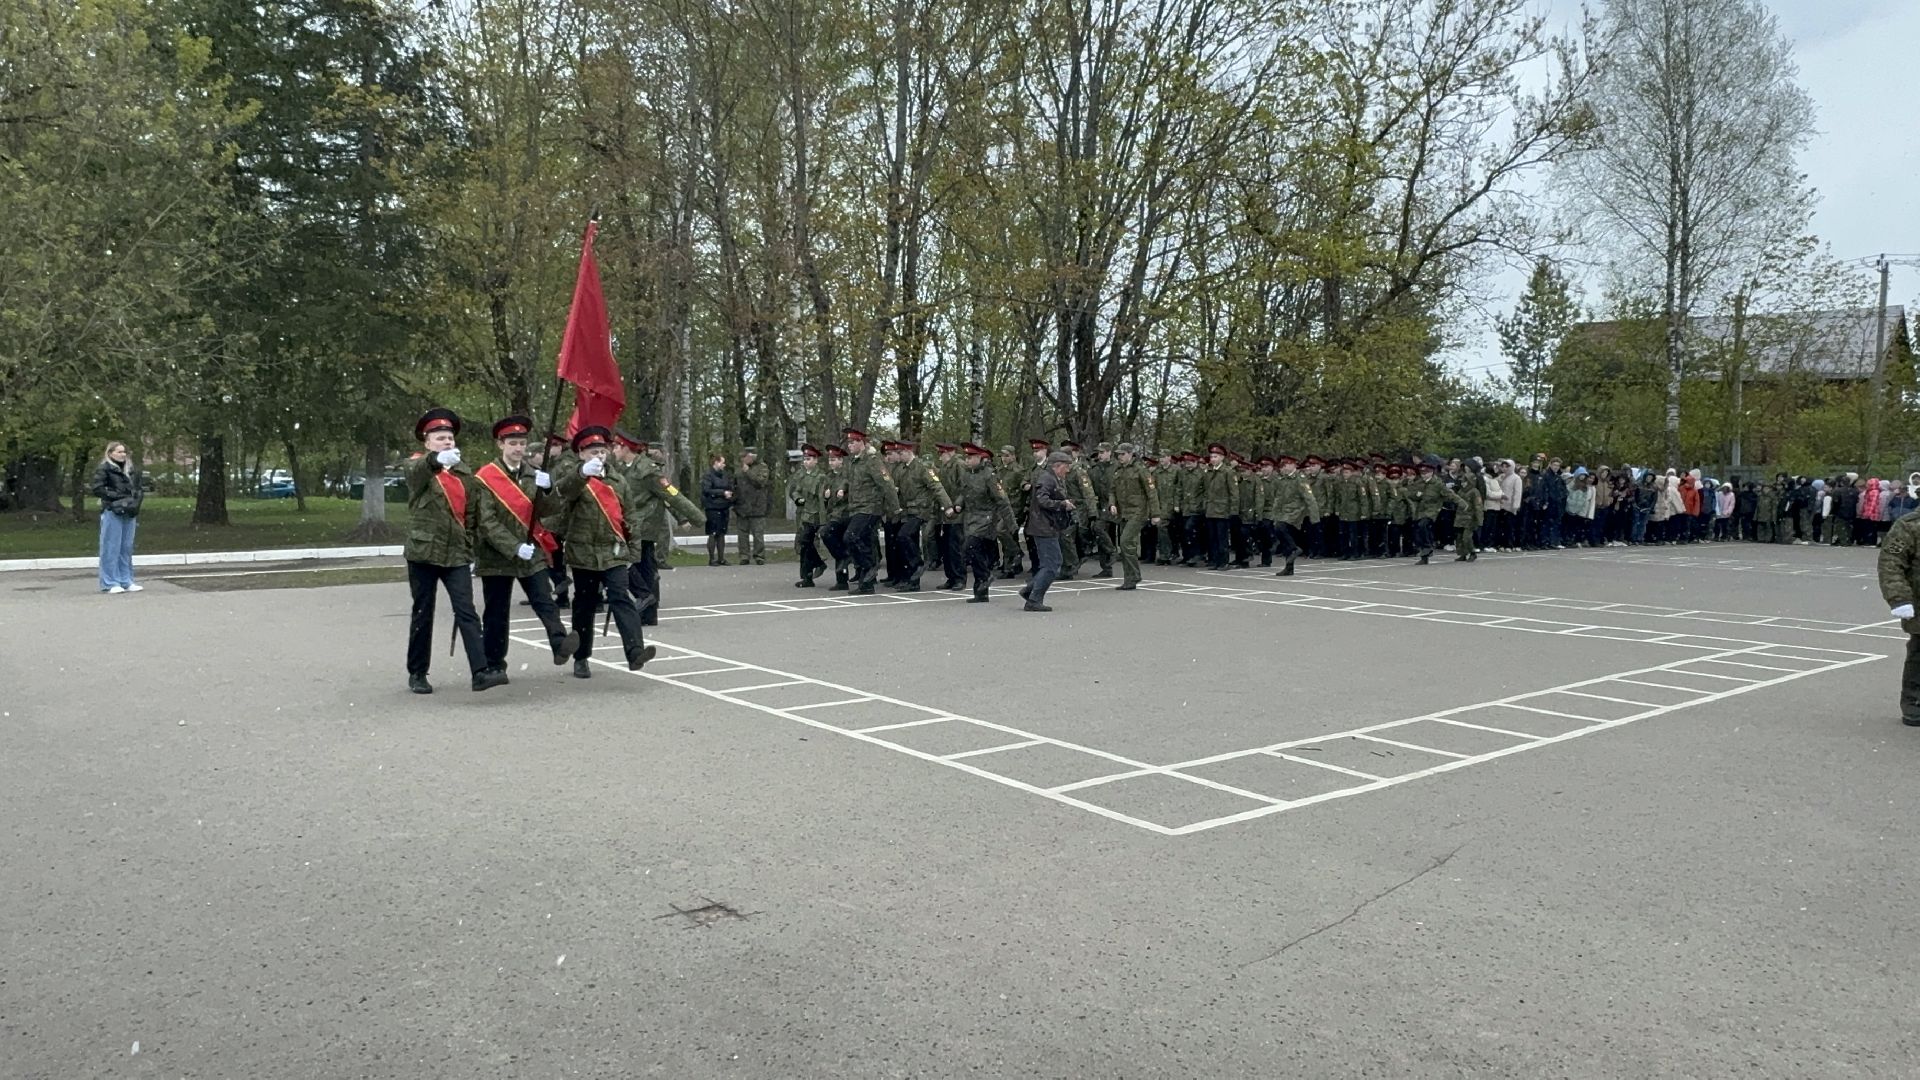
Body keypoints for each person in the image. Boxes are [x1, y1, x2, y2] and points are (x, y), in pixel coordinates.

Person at [403, 409, 501, 695]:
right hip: (424, 552)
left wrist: (470, 549)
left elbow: (470, 516)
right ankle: (418, 672)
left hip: (456, 553)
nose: (446, 442)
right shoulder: (417, 467)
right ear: (427, 442)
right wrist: (435, 462)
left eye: (449, 438)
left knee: (467, 611)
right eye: (439, 438)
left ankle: (480, 671)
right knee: (423, 613)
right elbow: (416, 473)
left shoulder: (463, 473)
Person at [471, 415, 574, 676]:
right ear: (500, 444)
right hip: (496, 555)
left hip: (531, 550)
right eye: (513, 443)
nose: (518, 448)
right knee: (496, 613)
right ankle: (495, 664)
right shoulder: (485, 478)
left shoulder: (533, 475)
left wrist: (548, 489)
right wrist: (513, 546)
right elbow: (486, 521)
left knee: (544, 600)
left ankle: (559, 643)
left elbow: (548, 512)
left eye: (522, 443)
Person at [555, 426, 655, 678]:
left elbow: (629, 516)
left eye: (602, 451)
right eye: (592, 452)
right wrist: (581, 475)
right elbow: (563, 493)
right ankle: (581, 657)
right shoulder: (576, 479)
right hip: (583, 553)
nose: (598, 456)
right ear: (581, 454)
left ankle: (634, 652)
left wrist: (633, 550)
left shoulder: (618, 481)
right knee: (585, 605)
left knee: (621, 598)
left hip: (613, 552)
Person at [624, 435, 703, 625]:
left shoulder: (647, 471)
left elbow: (671, 494)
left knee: (629, 564)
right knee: (646, 567)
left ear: (624, 447)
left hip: (644, 525)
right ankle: (649, 611)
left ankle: (646, 602)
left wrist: (695, 516)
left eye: (615, 447)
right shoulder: (630, 468)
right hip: (636, 524)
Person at [887, 438, 955, 592]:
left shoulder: (922, 467)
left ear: (909, 451)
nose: (899, 455)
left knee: (903, 536)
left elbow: (936, 486)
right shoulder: (902, 469)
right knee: (906, 540)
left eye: (901, 452)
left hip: (921, 510)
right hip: (907, 511)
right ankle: (912, 580)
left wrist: (948, 505)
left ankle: (918, 564)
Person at [1875, 506, 1920, 726]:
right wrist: (1899, 598)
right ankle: (1914, 703)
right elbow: (1891, 563)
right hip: (1919, 602)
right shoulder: (1909, 525)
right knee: (1919, 655)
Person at [841, 428, 900, 594]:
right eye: (849, 442)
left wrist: (895, 508)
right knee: (862, 541)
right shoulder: (854, 462)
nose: (850, 445)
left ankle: (869, 567)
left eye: (853, 442)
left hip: (870, 508)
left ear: (862, 443)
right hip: (856, 507)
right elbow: (851, 483)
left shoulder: (872, 461)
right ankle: (866, 583)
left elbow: (886, 484)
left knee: (851, 537)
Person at [954, 443, 1014, 602]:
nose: (967, 460)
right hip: (971, 518)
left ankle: (985, 577)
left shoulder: (990, 475)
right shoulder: (967, 474)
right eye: (966, 457)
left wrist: (1011, 523)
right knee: (974, 552)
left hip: (986, 518)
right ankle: (981, 593)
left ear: (980, 458)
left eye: (971, 457)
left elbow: (1002, 500)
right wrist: (958, 504)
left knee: (970, 548)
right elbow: (964, 492)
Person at [1019, 451, 1075, 612]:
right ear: (1057, 466)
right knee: (1052, 565)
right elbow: (1042, 500)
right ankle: (1034, 599)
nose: (1068, 470)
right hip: (1044, 527)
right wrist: (1061, 504)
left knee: (1052, 562)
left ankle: (1029, 590)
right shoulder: (1047, 479)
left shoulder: (1052, 478)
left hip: (1046, 526)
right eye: (1066, 467)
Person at [89, 440, 144, 594]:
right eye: (119, 452)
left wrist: (135, 502)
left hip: (129, 511)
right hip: (112, 510)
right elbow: (98, 488)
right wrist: (117, 498)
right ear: (110, 453)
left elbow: (138, 488)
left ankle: (126, 580)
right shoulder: (104, 469)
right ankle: (109, 582)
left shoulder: (130, 470)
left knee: (125, 547)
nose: (122, 454)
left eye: (123, 452)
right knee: (111, 547)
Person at [1107, 442, 1161, 590]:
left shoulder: (1140, 470)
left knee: (1125, 542)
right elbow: (1111, 490)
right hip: (1123, 512)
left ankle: (1133, 576)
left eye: (1123, 454)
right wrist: (1112, 504)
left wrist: (1155, 513)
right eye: (1118, 454)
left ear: (1131, 454)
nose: (1120, 457)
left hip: (1138, 511)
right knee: (1125, 545)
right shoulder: (1117, 470)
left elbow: (1151, 492)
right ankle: (1130, 577)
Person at [787, 444, 828, 586]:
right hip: (803, 513)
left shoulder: (821, 477)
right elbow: (794, 490)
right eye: (805, 459)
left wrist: (823, 519)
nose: (806, 462)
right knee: (804, 545)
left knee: (806, 542)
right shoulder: (801, 475)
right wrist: (798, 498)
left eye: (809, 459)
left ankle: (817, 565)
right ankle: (807, 576)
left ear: (816, 460)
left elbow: (821, 498)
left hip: (815, 514)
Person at [733, 447, 771, 564]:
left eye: (745, 457)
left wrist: (748, 472)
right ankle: (744, 556)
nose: (742, 460)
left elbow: (760, 482)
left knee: (758, 534)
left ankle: (759, 556)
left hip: (757, 506)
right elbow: (735, 485)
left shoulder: (762, 467)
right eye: (741, 457)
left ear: (752, 456)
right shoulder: (739, 470)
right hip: (742, 506)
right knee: (742, 534)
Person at [699, 453, 734, 565]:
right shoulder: (708, 475)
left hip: (724, 506)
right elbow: (707, 490)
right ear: (716, 463)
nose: (724, 465)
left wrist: (729, 494)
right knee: (713, 533)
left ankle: (721, 557)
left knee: (722, 533)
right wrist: (722, 493)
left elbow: (730, 486)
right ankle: (712, 558)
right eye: (722, 462)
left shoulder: (725, 475)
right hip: (712, 507)